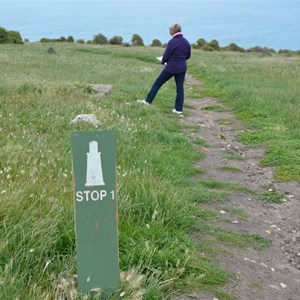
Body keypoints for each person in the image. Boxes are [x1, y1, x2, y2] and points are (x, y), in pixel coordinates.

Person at [137, 24, 191, 115]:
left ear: (172, 31)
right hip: (182, 67)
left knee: (157, 83)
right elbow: (188, 55)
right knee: (180, 88)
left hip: (171, 67)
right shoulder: (186, 42)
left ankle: (148, 101)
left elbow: (166, 55)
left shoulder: (172, 42)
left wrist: (163, 61)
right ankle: (178, 110)